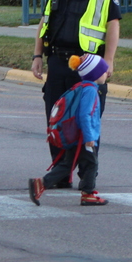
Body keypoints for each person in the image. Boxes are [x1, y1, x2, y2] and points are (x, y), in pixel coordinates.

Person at [31, 0, 121, 188]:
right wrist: (37, 56)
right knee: (56, 117)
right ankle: (61, 174)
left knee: (86, 120)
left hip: (88, 66)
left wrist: (109, 61)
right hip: (58, 62)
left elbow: (113, 26)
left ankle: (87, 177)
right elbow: (44, 21)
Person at [29, 54, 110, 206]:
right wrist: (89, 137)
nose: (106, 74)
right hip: (84, 137)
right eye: (104, 71)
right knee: (91, 164)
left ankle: (41, 184)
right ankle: (88, 194)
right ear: (96, 74)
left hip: (76, 135)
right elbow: (85, 115)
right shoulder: (91, 91)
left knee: (68, 164)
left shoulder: (81, 87)